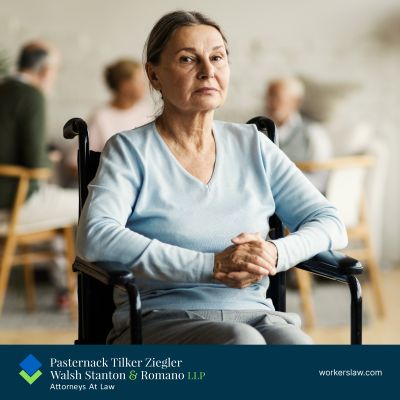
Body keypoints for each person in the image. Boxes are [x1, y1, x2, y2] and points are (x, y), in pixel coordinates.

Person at [76, 10, 348, 345]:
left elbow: (331, 222)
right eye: (188, 59)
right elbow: (95, 237)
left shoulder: (254, 145)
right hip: (161, 318)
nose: (208, 71)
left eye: (217, 57)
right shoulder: (129, 150)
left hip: (257, 313)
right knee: (241, 343)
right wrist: (213, 264)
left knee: (298, 348)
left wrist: (274, 253)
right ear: (154, 75)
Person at [0, 41, 78, 308]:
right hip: (15, 203)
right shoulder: (32, 95)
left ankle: (64, 288)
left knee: (58, 205)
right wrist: (51, 157)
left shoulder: (3, 89)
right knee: (88, 201)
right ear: (45, 70)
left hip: (6, 198)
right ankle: (83, 292)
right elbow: (38, 166)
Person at [266, 77, 333, 193]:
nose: (270, 103)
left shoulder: (313, 132)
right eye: (269, 96)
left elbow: (322, 178)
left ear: (295, 101)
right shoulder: (260, 133)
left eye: (277, 96)